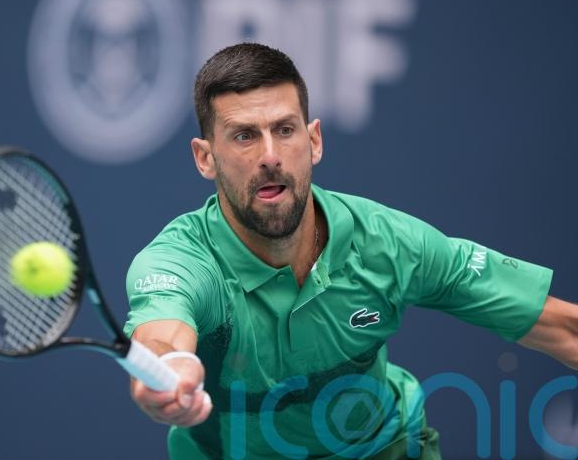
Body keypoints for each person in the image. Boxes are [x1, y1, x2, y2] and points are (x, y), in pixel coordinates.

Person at [122, 43, 575, 459]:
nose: (270, 156)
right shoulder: (183, 262)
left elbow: (562, 328)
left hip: (382, 449)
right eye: (244, 136)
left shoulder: (387, 243)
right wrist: (170, 367)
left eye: (285, 130)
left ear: (314, 141)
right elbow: (162, 334)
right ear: (205, 158)